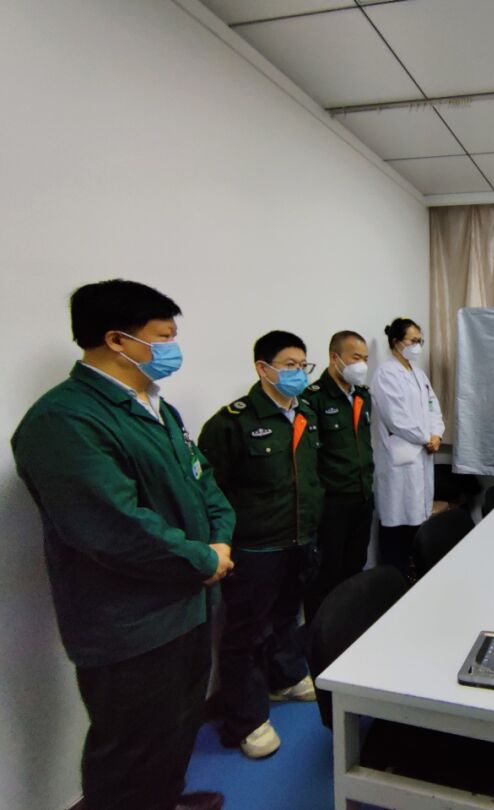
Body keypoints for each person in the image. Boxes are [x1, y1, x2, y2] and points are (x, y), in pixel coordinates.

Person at [11, 279, 233, 810]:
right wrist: (204, 558)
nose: (173, 348)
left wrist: (220, 537)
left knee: (177, 727)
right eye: (163, 337)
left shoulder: (156, 407)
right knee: (130, 751)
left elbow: (203, 480)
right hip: (131, 626)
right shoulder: (63, 420)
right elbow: (115, 528)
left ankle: (166, 799)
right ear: (116, 340)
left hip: (189, 603)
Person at [198, 331, 324, 759]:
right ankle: (246, 719)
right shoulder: (232, 423)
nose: (299, 373)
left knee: (288, 615)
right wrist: (222, 542)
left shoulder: (305, 414)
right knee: (245, 633)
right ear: (263, 368)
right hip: (255, 547)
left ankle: (285, 678)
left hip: (299, 539)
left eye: (303, 365)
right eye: (289, 365)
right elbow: (210, 490)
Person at [302, 330, 374, 623]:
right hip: (331, 503)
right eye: (356, 358)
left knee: (354, 568)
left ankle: (350, 628)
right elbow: (309, 457)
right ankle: (321, 636)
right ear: (335, 357)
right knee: (326, 575)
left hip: (362, 496)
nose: (362, 365)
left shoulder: (362, 396)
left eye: (365, 359)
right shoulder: (313, 399)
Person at [369, 317, 444, 576]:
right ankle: (392, 581)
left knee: (416, 523)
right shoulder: (385, 374)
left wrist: (437, 434)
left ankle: (411, 578)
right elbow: (397, 418)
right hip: (399, 462)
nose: (418, 346)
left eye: (420, 341)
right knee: (396, 526)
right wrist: (426, 437)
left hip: (422, 455)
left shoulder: (418, 374)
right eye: (413, 341)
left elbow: (433, 406)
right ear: (396, 342)